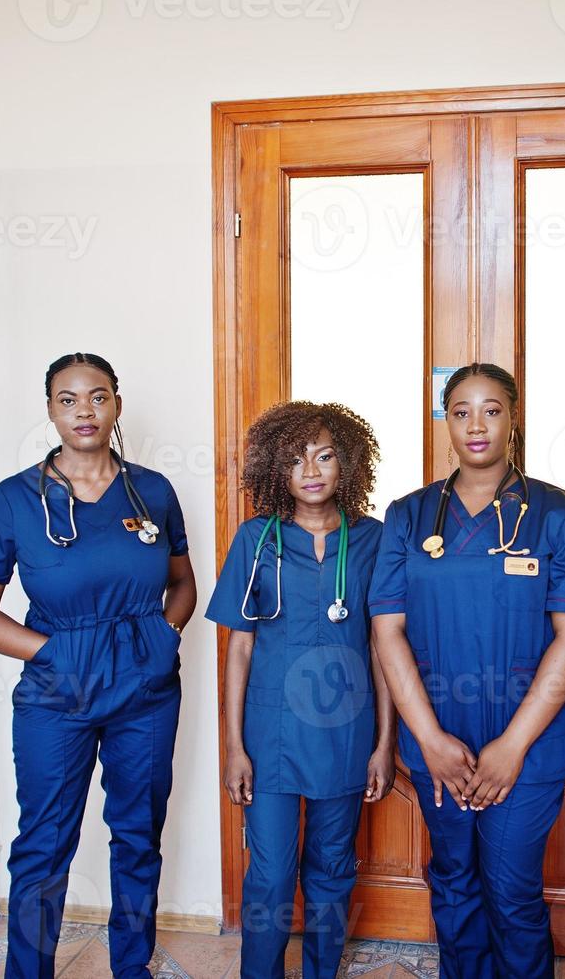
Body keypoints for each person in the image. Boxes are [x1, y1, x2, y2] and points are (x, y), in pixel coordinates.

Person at [0, 352, 196, 979]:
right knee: (43, 845)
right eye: (68, 399)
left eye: (97, 396)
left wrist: (164, 637)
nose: (84, 411)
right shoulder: (14, 500)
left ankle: (131, 967)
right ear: (49, 411)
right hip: (56, 693)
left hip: (145, 689)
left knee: (139, 834)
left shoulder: (153, 491)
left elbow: (183, 583)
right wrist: (55, 653)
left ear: (116, 403)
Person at [370, 362, 565, 978]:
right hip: (438, 735)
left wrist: (512, 746)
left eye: (491, 410)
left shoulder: (555, 512)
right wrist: (431, 741)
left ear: (512, 418)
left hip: (527, 742)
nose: (476, 425)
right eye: (461, 410)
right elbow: (387, 632)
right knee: (453, 880)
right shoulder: (409, 516)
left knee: (511, 890)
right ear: (445, 420)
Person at [205, 401, 397, 979]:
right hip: (270, 735)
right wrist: (234, 745)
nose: (311, 470)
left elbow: (381, 647)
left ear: (349, 463)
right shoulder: (256, 540)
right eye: (295, 459)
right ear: (275, 470)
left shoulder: (374, 540)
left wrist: (384, 744)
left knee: (333, 866)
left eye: (325, 455)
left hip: (346, 731)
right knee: (268, 874)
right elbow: (238, 646)